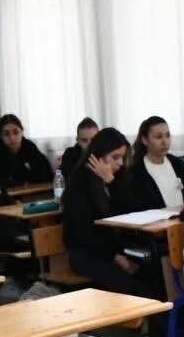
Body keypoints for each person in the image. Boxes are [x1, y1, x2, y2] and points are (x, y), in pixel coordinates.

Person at [62, 127, 157, 297]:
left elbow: (133, 212)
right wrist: (115, 256)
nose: (120, 163)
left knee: (154, 271)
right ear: (99, 155)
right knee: (129, 285)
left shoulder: (117, 177)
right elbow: (84, 233)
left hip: (114, 248)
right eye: (115, 157)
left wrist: (112, 182)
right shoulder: (80, 182)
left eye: (122, 157)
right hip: (87, 253)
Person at [123, 115, 184, 211]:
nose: (165, 142)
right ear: (145, 140)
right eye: (158, 137)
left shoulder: (179, 165)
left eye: (167, 135)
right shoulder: (136, 172)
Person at [0, 114, 55, 188]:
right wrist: (21, 182)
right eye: (6, 134)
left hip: (32, 192)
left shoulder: (29, 146)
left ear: (22, 132)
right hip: (5, 194)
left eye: (16, 132)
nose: (12, 138)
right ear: (1, 136)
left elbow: (47, 175)